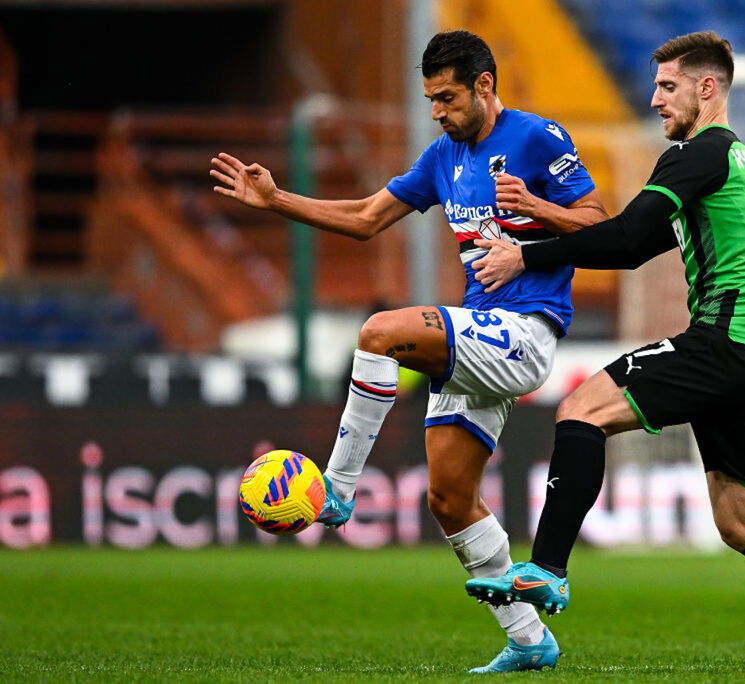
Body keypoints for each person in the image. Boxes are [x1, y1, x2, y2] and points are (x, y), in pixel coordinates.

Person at [464, 31, 745, 671]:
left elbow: (627, 243)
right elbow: (638, 241)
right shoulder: (737, 160)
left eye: (667, 87)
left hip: (724, 344)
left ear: (706, 88)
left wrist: (526, 252)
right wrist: (546, 211)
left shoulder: (698, 153)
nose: (655, 100)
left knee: (580, 411)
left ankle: (546, 569)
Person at [211, 30, 607, 672]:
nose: (437, 112)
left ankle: (336, 490)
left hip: (525, 331)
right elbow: (368, 218)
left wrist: (535, 208)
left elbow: (599, 222)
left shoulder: (537, 138)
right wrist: (276, 199)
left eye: (447, 98)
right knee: (449, 498)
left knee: (378, 332)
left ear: (484, 85)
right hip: (478, 337)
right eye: (430, 100)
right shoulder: (443, 155)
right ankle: (530, 640)